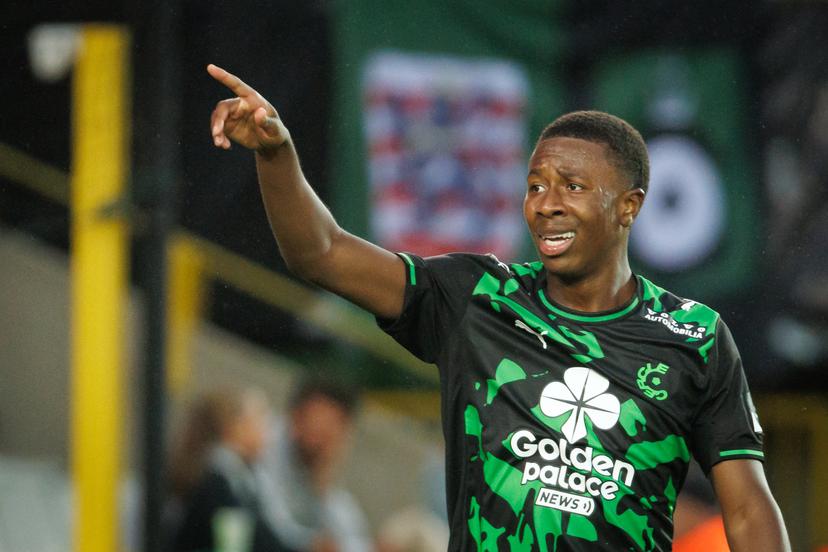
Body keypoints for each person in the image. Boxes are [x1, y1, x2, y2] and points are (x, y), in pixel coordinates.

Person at [206, 64, 791, 551]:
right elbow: (324, 253)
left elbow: (745, 513)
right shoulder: (475, 296)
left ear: (629, 207)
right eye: (535, 185)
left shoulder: (694, 336)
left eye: (573, 187)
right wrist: (277, 156)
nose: (546, 205)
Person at [256, 378, 372, 552]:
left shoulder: (326, 463)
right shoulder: (263, 443)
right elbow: (272, 522)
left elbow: (355, 539)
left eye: (335, 425)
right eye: (319, 420)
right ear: (295, 415)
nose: (324, 432)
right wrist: (311, 544)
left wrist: (323, 483)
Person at [167, 386, 286, 552]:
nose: (268, 431)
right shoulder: (218, 480)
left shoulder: (242, 477)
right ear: (235, 426)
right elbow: (253, 538)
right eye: (261, 418)